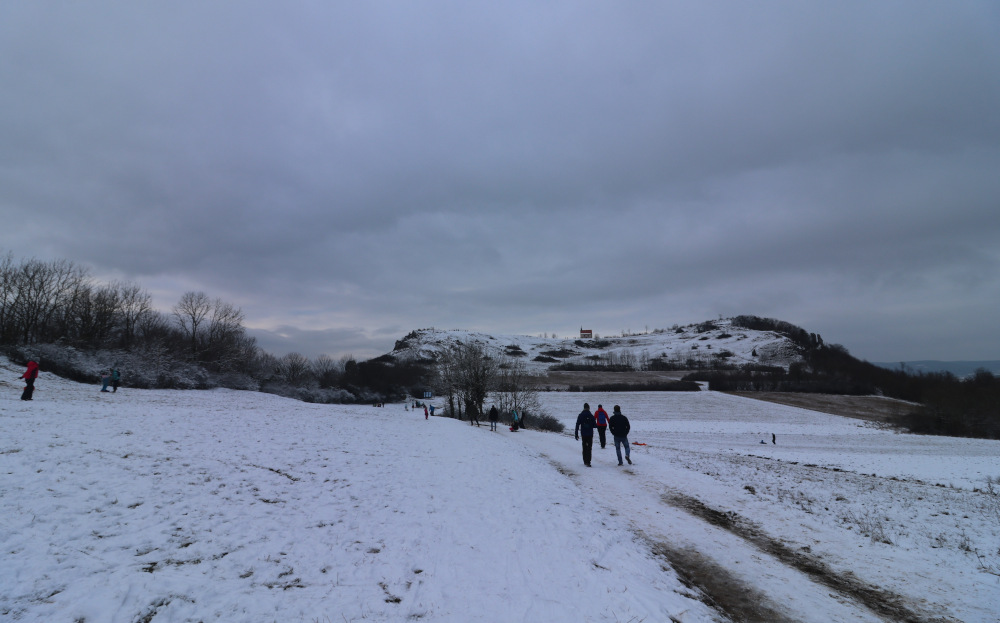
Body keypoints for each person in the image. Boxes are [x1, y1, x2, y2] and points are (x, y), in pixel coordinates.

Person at [574, 403, 596, 467]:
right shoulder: (591, 415)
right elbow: (595, 425)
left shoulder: (580, 415)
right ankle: (588, 461)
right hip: (590, 433)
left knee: (584, 447)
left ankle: (585, 460)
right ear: (589, 408)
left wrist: (576, 434)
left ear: (584, 407)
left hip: (583, 433)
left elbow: (577, 424)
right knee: (589, 447)